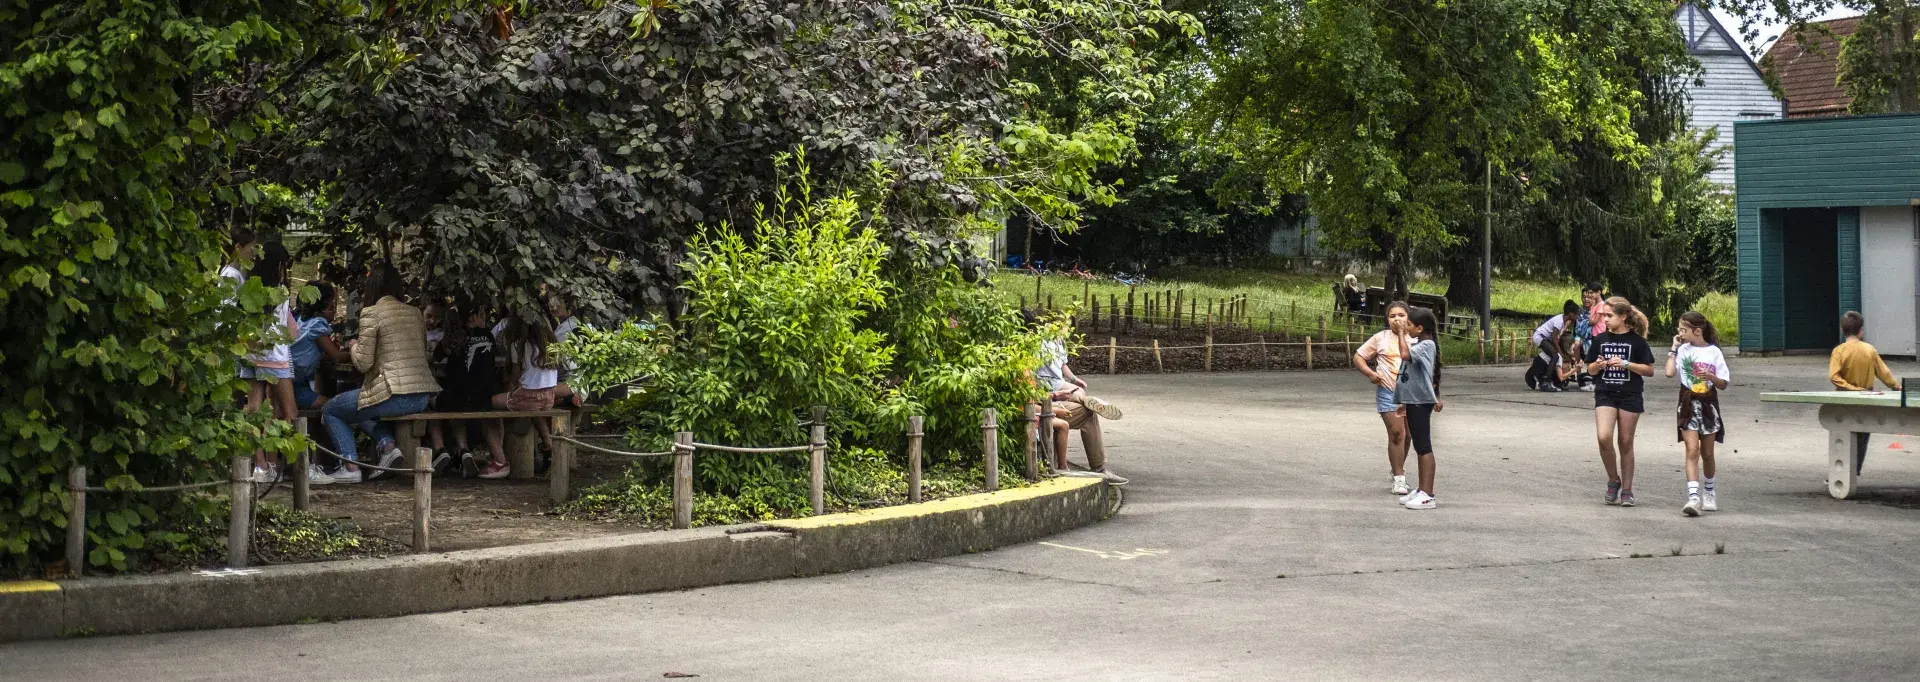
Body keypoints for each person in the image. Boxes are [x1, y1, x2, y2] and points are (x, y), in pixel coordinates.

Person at [320, 263, 441, 483]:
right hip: (422, 396)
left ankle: (350, 466)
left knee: (332, 409)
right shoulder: (414, 313)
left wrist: (354, 344)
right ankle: (388, 447)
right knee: (361, 404)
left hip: (394, 394)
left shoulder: (371, 313)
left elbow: (363, 363)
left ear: (371, 287)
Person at [243, 242, 308, 484]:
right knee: (290, 413)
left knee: (255, 411)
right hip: (275, 357)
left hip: (250, 354)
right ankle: (297, 468)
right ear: (278, 265)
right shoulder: (280, 290)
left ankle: (262, 466)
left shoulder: (249, 286)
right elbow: (290, 331)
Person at [1584, 296, 1654, 507]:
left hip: (1630, 394)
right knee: (1604, 437)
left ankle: (1628, 490)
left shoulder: (1637, 342)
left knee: (1625, 442)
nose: (1604, 319)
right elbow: (1589, 368)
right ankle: (1613, 479)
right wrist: (1597, 366)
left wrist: (1625, 364)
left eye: (1609, 315)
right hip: (1605, 392)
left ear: (1623, 317)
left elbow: (1649, 370)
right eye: (1603, 315)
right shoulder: (1600, 340)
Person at [1666, 311, 1730, 517]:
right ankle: (1693, 497)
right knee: (1692, 450)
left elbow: (1723, 384)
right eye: (1679, 329)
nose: (1680, 333)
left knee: (1708, 453)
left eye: (1683, 330)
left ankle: (1709, 491)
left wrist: (1711, 376)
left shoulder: (1714, 352)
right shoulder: (1683, 349)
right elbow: (1669, 373)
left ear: (1697, 331)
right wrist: (1673, 349)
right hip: (1687, 403)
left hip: (1708, 404)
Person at [433, 302, 506, 478]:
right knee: (459, 403)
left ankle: (444, 449)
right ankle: (464, 451)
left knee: (430, 403)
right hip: (483, 399)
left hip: (457, 398)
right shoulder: (488, 334)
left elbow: (435, 356)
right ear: (475, 316)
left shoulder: (451, 338)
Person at [487, 314, 564, 480]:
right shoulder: (552, 345)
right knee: (535, 409)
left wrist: (510, 385)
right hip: (549, 396)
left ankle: (499, 456)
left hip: (528, 397)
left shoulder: (518, 345)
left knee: (489, 402)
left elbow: (515, 377)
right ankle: (548, 443)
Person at [1828, 311, 1902, 473]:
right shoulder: (1869, 350)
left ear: (1842, 330)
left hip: (1843, 399)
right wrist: (1896, 387)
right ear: (1861, 330)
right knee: (1862, 435)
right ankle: (1856, 470)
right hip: (1866, 399)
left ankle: (1840, 473)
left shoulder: (1839, 351)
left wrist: (1851, 388)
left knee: (1842, 435)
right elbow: (1884, 373)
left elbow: (1834, 376)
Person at [1354, 301, 1413, 495]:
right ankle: (1399, 479)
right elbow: (1359, 356)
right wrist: (1370, 373)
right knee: (1397, 433)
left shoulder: (1416, 337)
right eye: (1392, 316)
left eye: (1401, 315)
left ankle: (1397, 468)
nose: (1397, 319)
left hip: (1413, 394)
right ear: (1387, 320)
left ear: (1408, 317)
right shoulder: (1380, 338)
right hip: (1388, 391)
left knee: (1408, 435)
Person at [1393, 307, 1443, 510]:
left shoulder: (1427, 345)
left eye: (1410, 325)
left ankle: (1428, 494)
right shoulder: (1422, 344)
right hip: (1414, 400)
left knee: (1424, 447)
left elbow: (1404, 355)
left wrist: (1401, 334)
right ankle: (1422, 489)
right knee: (1419, 447)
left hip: (1421, 401)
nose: (1407, 327)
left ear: (1420, 328)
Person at [291, 281, 349, 410]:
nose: (334, 312)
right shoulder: (317, 325)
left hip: (293, 382)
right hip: (295, 386)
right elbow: (336, 357)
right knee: (337, 407)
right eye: (331, 308)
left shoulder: (301, 321)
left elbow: (324, 354)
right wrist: (353, 352)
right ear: (320, 310)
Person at [1526, 300, 1580, 392]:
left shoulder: (1564, 321)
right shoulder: (1559, 321)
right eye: (1576, 315)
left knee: (1554, 356)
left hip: (1546, 338)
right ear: (1571, 314)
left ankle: (1554, 380)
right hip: (1540, 337)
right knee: (1555, 356)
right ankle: (1546, 380)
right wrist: (1560, 352)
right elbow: (1554, 338)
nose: (1577, 317)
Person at [1572, 282, 1606, 391]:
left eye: (1589, 296)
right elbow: (1579, 328)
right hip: (1582, 335)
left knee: (1594, 353)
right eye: (1584, 297)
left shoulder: (1597, 307)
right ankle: (1579, 371)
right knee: (1576, 345)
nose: (1587, 299)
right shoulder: (1580, 311)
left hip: (1593, 335)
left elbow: (1594, 323)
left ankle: (1592, 376)